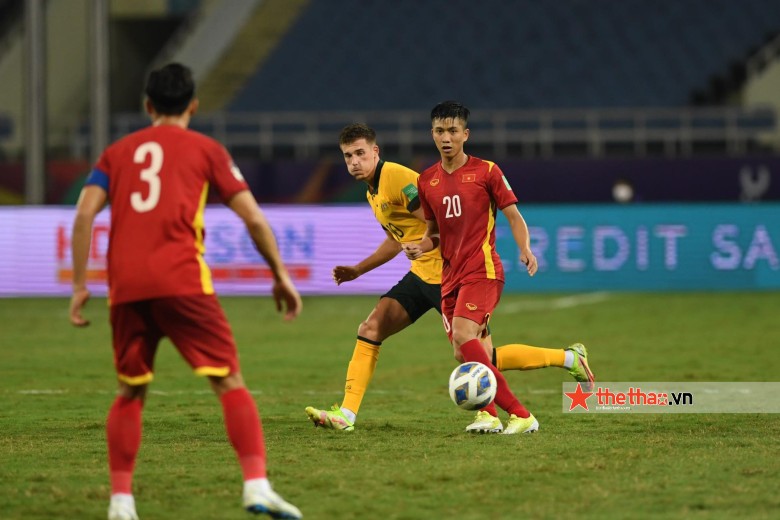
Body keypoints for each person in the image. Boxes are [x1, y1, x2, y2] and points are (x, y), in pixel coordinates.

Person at [68, 63, 303, 520]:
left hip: (127, 288)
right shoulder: (206, 149)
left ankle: (121, 503)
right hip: (182, 283)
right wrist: (280, 274)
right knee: (228, 382)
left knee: (130, 391)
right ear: (193, 105)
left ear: (148, 106)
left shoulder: (117, 152)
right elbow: (253, 218)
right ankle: (256, 486)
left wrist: (79, 286)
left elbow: (82, 217)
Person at [305, 123, 592, 434]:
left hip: (447, 275)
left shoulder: (399, 180)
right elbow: (396, 239)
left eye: (360, 153)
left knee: (473, 354)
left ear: (376, 152)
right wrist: (359, 270)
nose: (354, 162)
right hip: (420, 276)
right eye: (348, 156)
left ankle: (544, 376)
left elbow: (440, 226)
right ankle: (347, 413)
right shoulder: (372, 191)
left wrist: (437, 248)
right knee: (371, 328)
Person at [404, 100, 595, 434]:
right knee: (475, 356)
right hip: (450, 277)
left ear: (465, 134)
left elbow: (513, 215)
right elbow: (432, 233)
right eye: (439, 131)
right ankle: (560, 365)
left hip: (483, 270)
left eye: (452, 131)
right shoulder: (426, 180)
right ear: (432, 134)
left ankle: (521, 415)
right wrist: (421, 246)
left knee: (464, 336)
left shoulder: (487, 171)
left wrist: (525, 248)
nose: (445, 137)